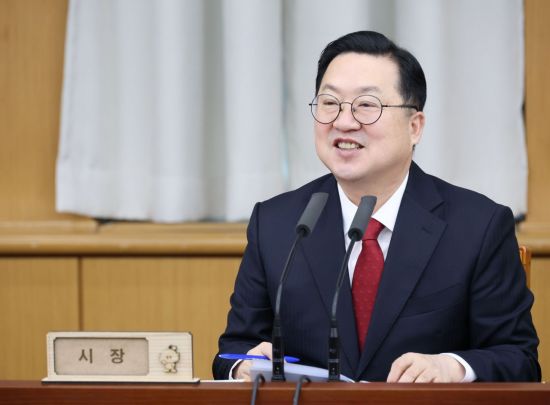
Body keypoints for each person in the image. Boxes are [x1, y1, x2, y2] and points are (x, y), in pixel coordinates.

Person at [212, 31, 540, 382]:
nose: (343, 121)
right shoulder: (277, 224)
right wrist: (244, 364)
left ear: (414, 127)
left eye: (366, 105)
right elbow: (232, 350)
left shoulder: (477, 226)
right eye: (329, 103)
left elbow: (519, 359)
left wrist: (452, 366)